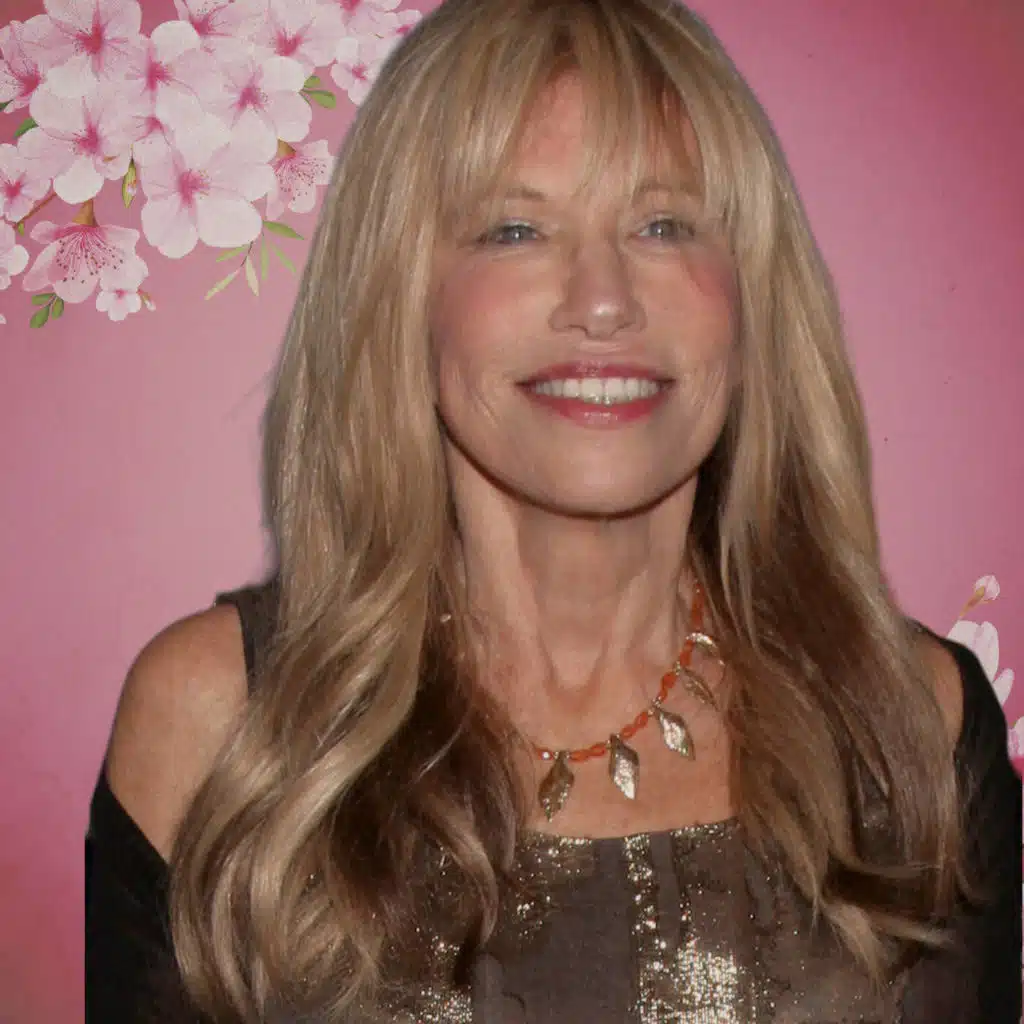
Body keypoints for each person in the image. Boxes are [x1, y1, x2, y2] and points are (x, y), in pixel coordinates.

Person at [85, 0, 1022, 1020]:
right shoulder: (222, 727)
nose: (603, 299)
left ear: (750, 300)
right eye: (516, 229)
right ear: (401, 298)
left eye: (662, 224)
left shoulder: (908, 728)